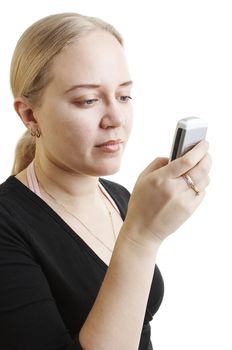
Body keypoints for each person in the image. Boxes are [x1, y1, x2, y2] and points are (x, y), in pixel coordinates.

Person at [0, 12, 211, 350]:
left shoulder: (121, 198)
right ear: (29, 114)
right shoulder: (7, 225)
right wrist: (143, 235)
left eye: (124, 96)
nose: (115, 119)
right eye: (88, 100)